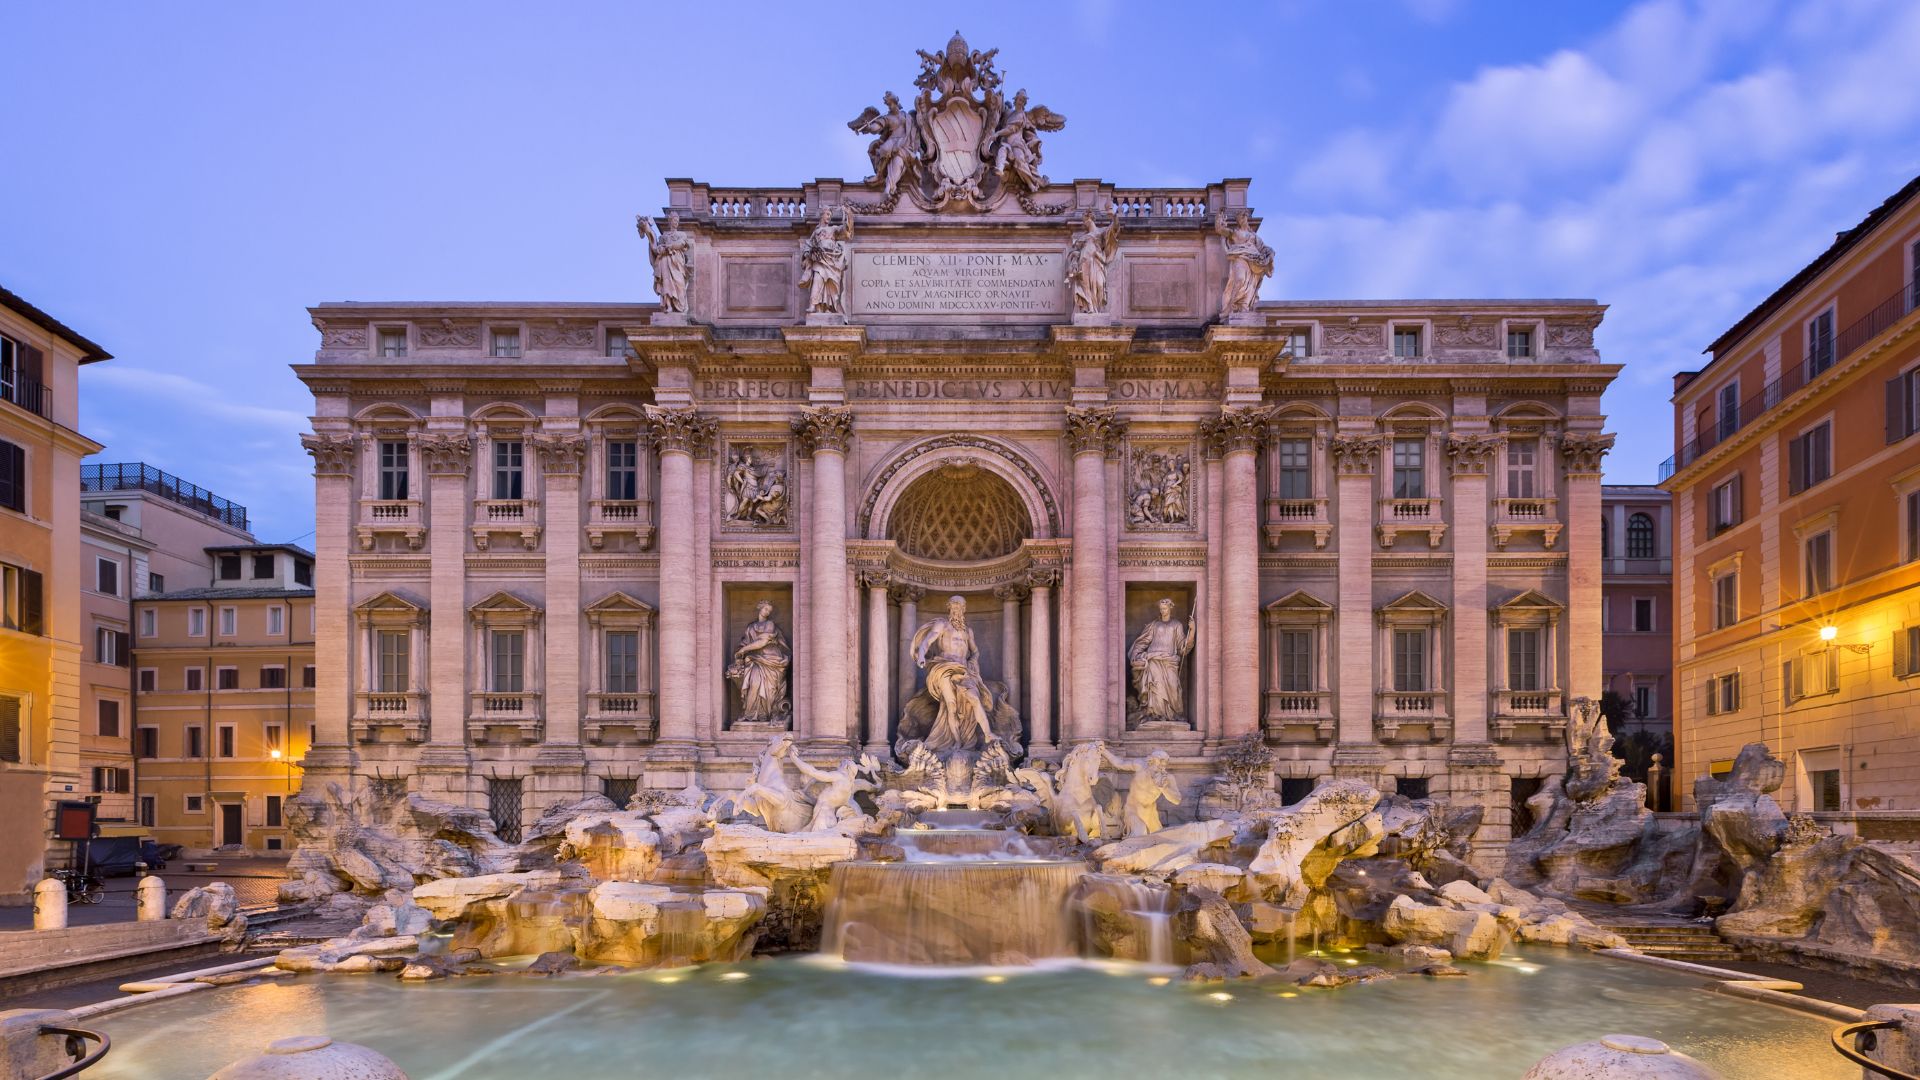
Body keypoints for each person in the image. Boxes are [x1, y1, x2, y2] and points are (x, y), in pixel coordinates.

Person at [910, 595, 997, 754]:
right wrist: (922, 655)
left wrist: (973, 661)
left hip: (963, 669)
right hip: (944, 667)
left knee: (974, 698)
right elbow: (927, 641)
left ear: (964, 609)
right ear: (949, 607)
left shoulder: (967, 631)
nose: (957, 609)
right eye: (954, 605)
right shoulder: (942, 624)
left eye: (960, 606)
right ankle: (957, 741)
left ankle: (988, 734)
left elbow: (975, 651)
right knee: (951, 706)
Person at [1129, 598, 1197, 724]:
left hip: (1170, 661)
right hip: (1154, 660)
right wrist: (1136, 654)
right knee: (1156, 687)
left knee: (1173, 687)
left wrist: (1192, 631)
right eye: (1161, 609)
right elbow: (1143, 641)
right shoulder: (1154, 625)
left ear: (1170, 608)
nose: (1162, 611)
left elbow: (1183, 647)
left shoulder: (1177, 625)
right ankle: (1156, 715)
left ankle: (1172, 715)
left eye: (1165, 608)